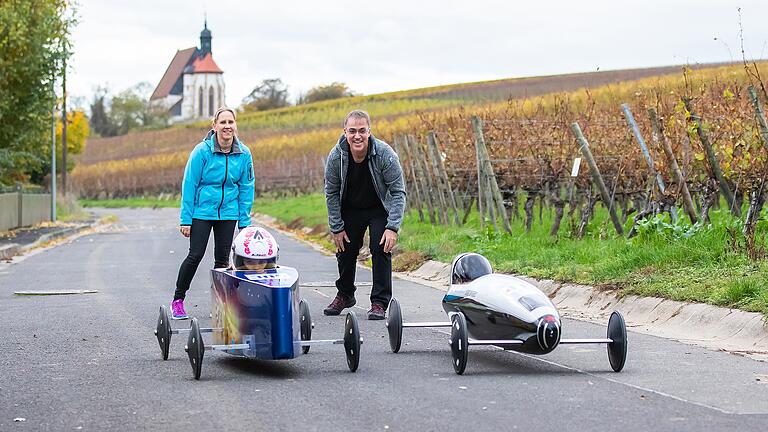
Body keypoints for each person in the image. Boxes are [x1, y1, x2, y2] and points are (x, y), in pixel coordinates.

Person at [171, 107, 254, 319]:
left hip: (228, 213)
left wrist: (244, 221)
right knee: (195, 255)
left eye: (231, 122)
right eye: (223, 122)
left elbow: (246, 187)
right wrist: (185, 219)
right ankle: (178, 300)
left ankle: (222, 306)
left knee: (222, 261)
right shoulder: (202, 151)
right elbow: (189, 184)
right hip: (202, 212)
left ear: (235, 126)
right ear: (214, 126)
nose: (227, 126)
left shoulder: (244, 153)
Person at [323, 110, 406, 320]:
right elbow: (331, 192)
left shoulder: (385, 154)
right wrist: (336, 227)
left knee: (380, 247)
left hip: (378, 207)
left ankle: (379, 302)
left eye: (362, 131)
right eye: (352, 131)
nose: (357, 136)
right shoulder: (336, 157)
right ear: (345, 132)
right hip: (350, 207)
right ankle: (345, 294)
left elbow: (398, 192)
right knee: (346, 248)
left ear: (369, 131)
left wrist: (392, 227)